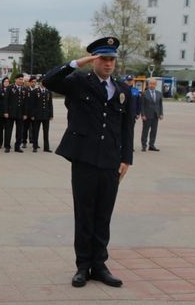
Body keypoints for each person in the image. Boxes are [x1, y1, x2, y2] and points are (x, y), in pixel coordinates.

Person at [42, 36, 133, 289]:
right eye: (103, 58)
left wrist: (127, 158)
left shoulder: (123, 89)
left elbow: (127, 127)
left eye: (112, 59)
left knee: (104, 214)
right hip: (84, 158)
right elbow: (48, 80)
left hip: (111, 160)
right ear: (94, 60)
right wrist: (75, 63)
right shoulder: (78, 82)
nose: (108, 64)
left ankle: (100, 265)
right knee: (84, 214)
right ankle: (83, 266)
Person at [28, 77, 54, 153]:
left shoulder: (48, 92)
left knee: (46, 132)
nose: (43, 84)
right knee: (35, 131)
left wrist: (51, 114)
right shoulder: (35, 91)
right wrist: (32, 115)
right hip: (37, 115)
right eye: (42, 82)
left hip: (46, 115)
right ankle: (35, 146)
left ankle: (46, 147)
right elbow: (32, 104)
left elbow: (50, 104)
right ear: (39, 83)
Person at [3, 73, 27, 153]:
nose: (21, 81)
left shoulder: (24, 89)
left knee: (19, 131)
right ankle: (7, 146)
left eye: (22, 79)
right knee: (8, 130)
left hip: (20, 114)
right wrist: (5, 111)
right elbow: (6, 100)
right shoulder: (10, 88)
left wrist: (25, 114)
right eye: (19, 79)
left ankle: (17, 147)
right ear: (15, 80)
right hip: (10, 113)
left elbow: (25, 103)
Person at [140, 78, 164, 152]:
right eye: (151, 84)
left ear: (156, 85)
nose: (152, 85)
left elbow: (160, 105)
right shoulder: (144, 93)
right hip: (147, 115)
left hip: (155, 115)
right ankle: (144, 146)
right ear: (148, 84)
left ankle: (152, 145)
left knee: (154, 131)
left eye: (154, 84)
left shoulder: (159, 93)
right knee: (145, 131)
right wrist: (143, 114)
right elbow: (142, 105)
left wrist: (161, 113)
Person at [124, 75, 142, 150]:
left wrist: (138, 113)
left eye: (131, 80)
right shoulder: (121, 89)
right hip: (123, 114)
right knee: (122, 130)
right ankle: (121, 145)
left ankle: (130, 146)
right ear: (125, 81)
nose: (129, 82)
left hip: (132, 115)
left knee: (130, 131)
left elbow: (139, 103)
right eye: (128, 80)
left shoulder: (136, 91)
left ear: (133, 81)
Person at [0, 77, 9, 149]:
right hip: (0, 112)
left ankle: (7, 144)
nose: (6, 83)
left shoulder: (11, 90)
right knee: (0, 129)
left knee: (7, 130)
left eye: (8, 82)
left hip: (8, 114)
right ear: (3, 83)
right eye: (5, 82)